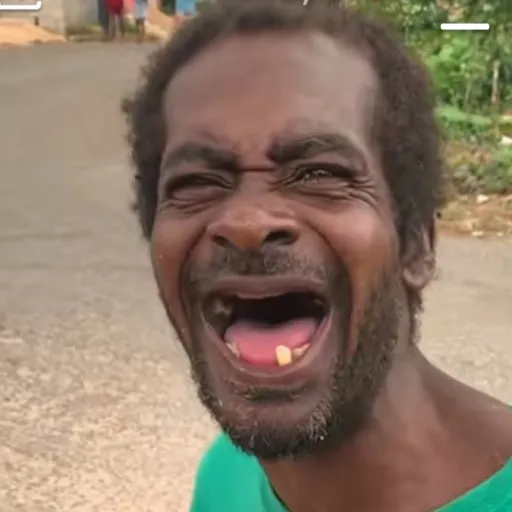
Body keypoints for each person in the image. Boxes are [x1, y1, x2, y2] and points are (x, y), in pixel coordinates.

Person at [123, 1, 512, 511]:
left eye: (319, 174)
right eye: (197, 182)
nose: (247, 223)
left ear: (416, 244)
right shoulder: (227, 478)